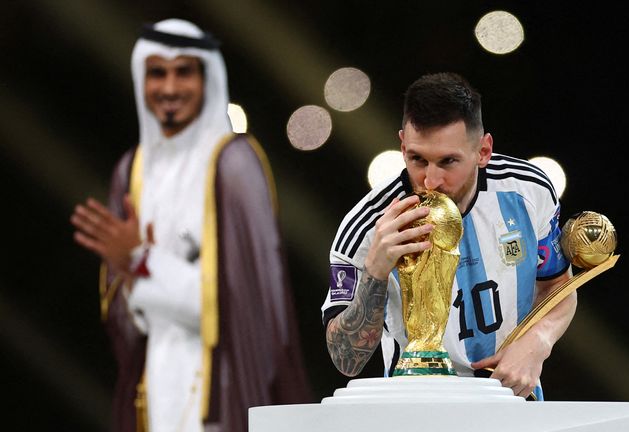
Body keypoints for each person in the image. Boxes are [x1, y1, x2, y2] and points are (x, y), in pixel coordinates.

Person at [71, 18, 311, 432]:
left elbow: (248, 305)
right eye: (157, 73)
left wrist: (142, 263)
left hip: (229, 385)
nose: (169, 88)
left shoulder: (235, 164)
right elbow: (128, 318)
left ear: (207, 77)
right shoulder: (132, 170)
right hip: (159, 380)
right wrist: (132, 272)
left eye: (184, 71)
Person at [322, 72, 574, 400]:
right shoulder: (366, 227)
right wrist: (376, 271)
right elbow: (345, 359)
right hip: (414, 411)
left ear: (483, 150)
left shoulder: (527, 192)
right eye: (417, 159)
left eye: (448, 161)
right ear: (402, 145)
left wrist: (538, 341)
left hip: (511, 403)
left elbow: (558, 287)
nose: (430, 180)